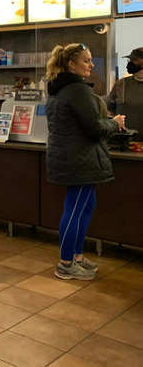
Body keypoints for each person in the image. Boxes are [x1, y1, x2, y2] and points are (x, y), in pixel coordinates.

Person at [45, 43, 126, 281]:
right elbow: (94, 128)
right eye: (86, 60)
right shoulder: (77, 90)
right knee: (75, 211)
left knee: (83, 208)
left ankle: (77, 257)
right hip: (79, 161)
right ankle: (65, 263)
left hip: (73, 158)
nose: (91, 65)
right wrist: (115, 122)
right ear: (71, 64)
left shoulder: (59, 88)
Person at [106, 47, 143, 141]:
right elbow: (109, 110)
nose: (130, 63)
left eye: (134, 60)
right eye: (130, 60)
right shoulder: (121, 84)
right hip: (124, 143)